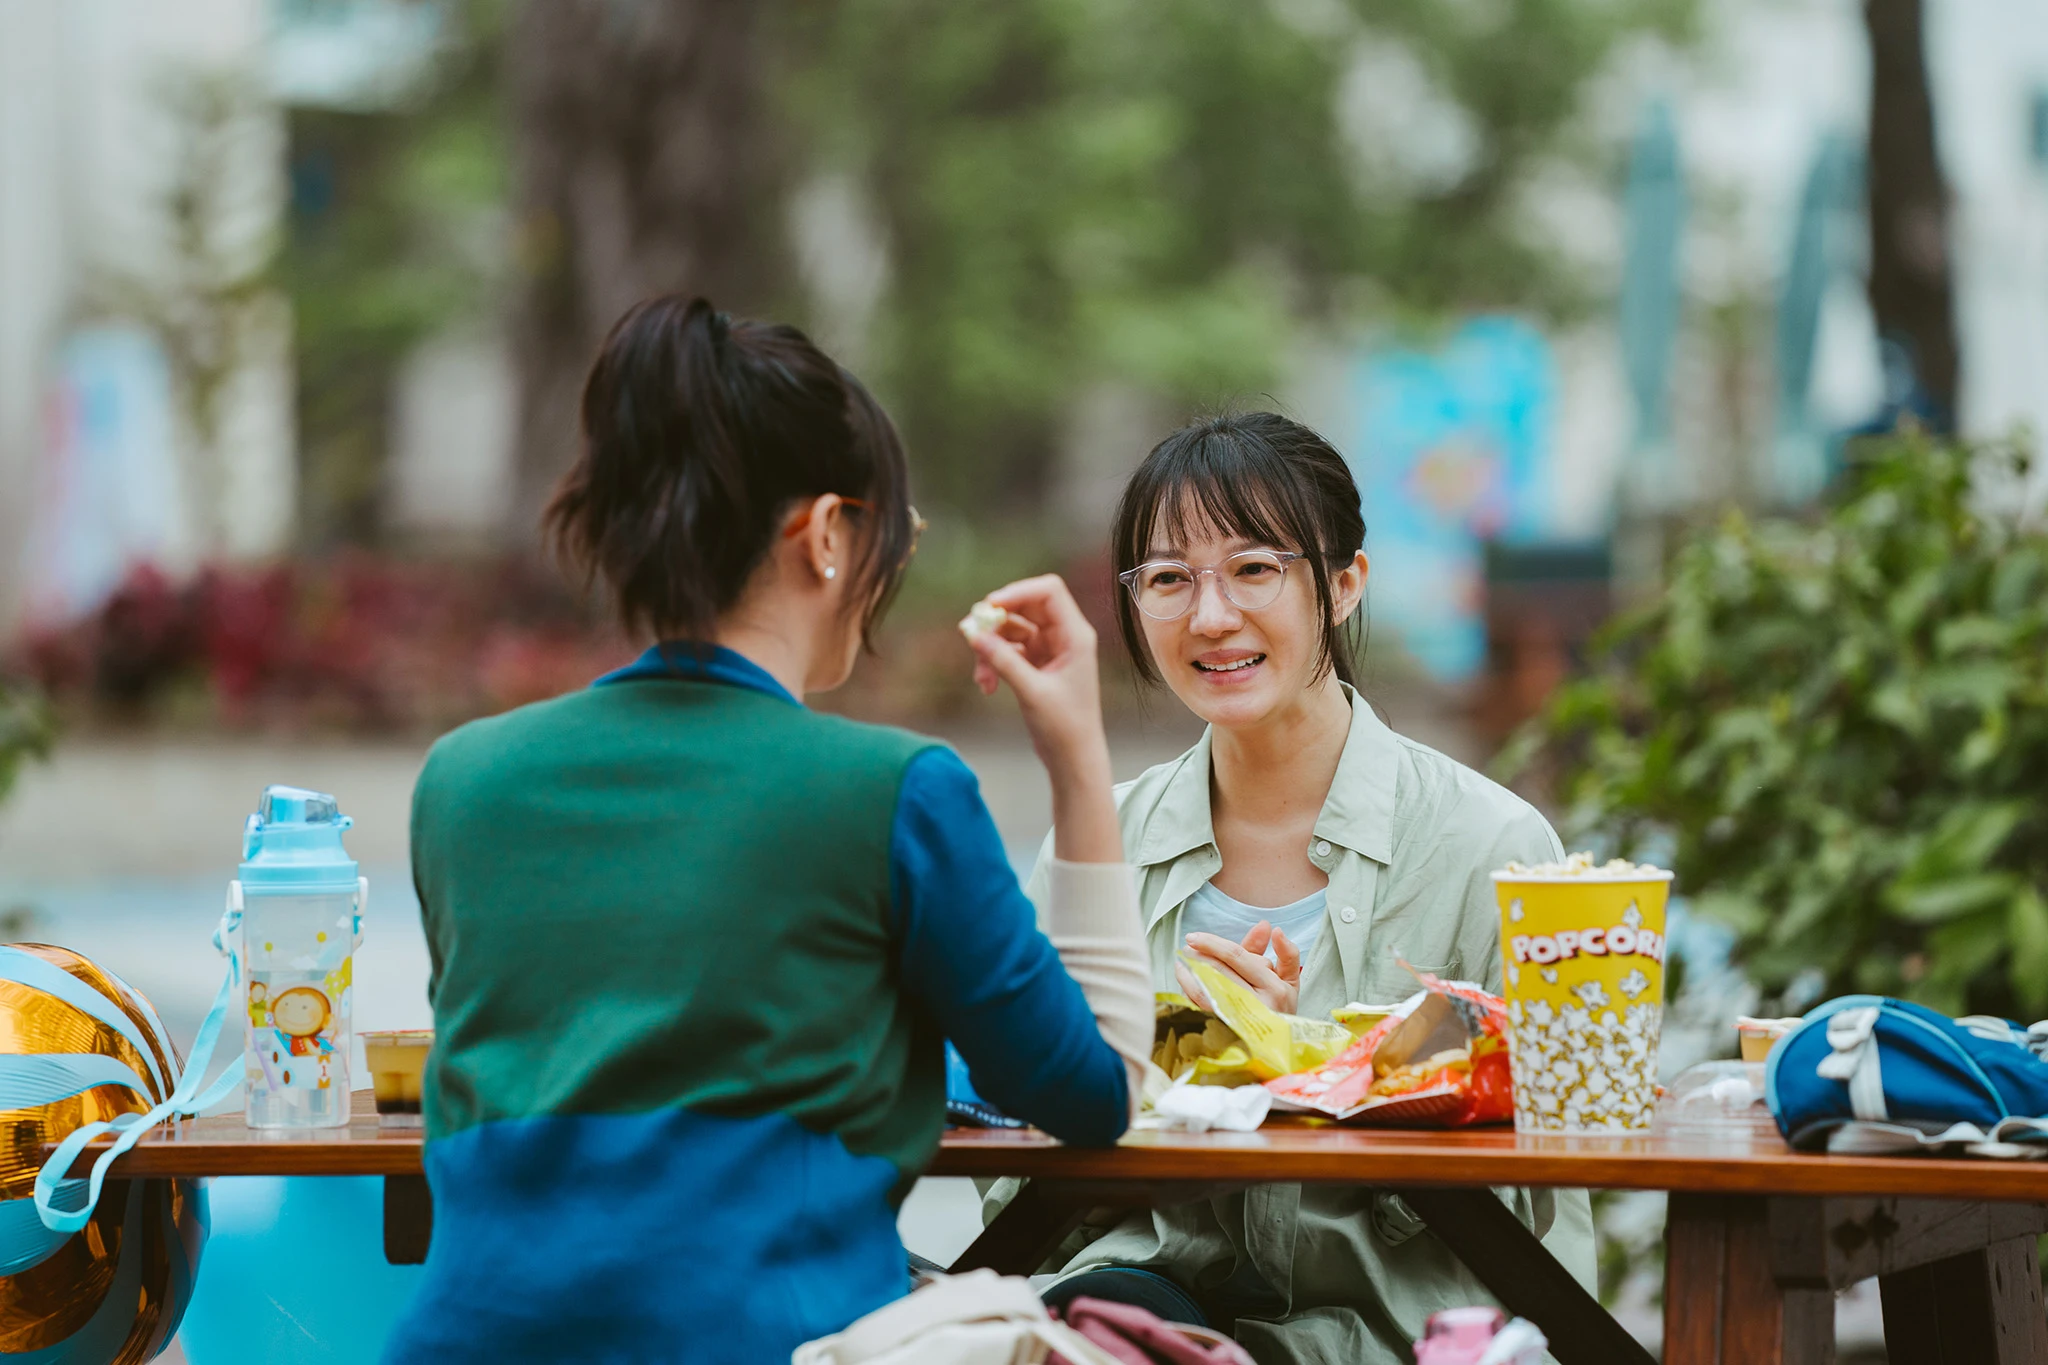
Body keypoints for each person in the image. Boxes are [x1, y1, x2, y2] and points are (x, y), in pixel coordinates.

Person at [381, 296, 1152, 1364]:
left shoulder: (461, 781)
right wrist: (1076, 753)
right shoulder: (892, 789)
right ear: (828, 533)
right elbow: (1098, 1091)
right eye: (896, 533)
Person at [1005, 412, 1596, 1362]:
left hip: (1404, 1335)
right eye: (1167, 579)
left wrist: (1306, 1065)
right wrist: (1158, 1080)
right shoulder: (1095, 843)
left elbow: (1544, 1189)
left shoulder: (1495, 847)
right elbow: (1017, 1164)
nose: (1210, 616)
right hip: (1139, 1318)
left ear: (1345, 583)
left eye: (1254, 568)